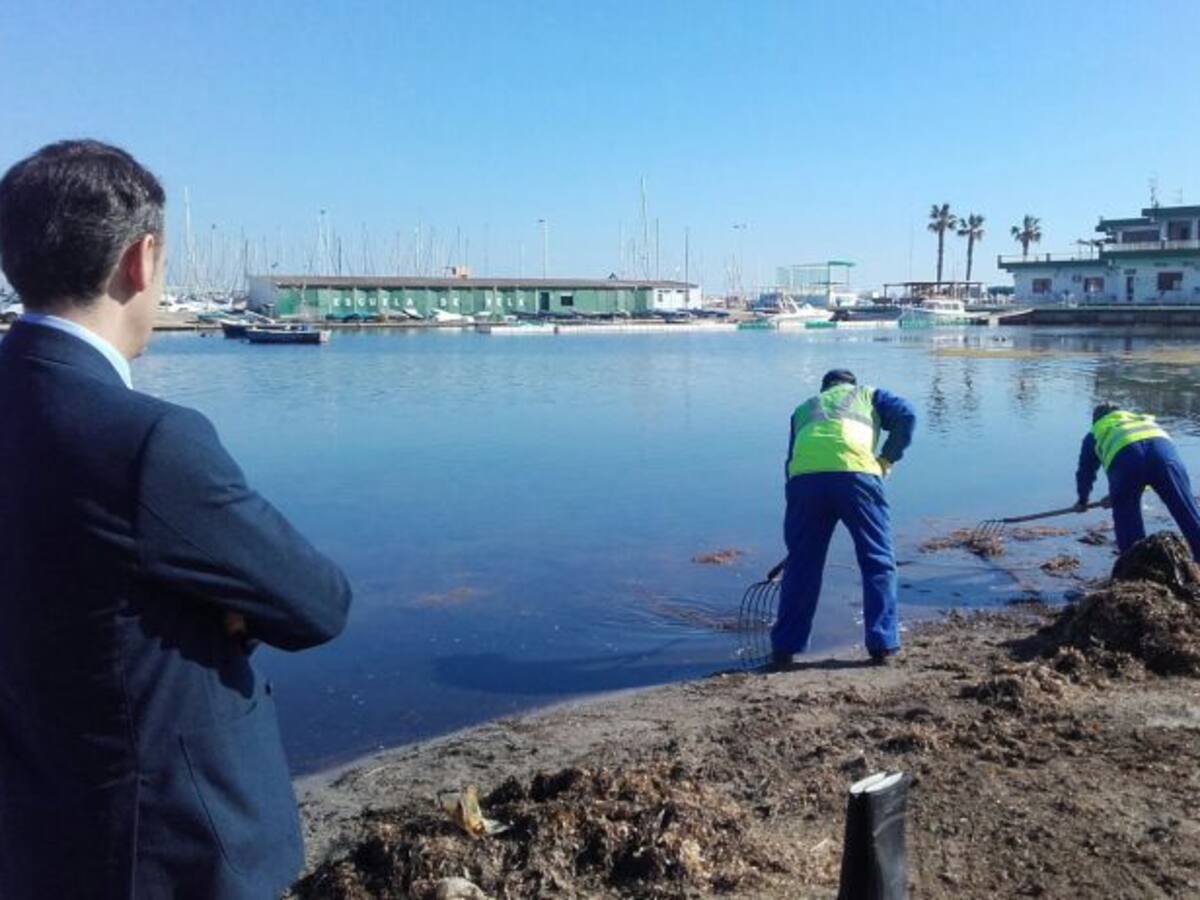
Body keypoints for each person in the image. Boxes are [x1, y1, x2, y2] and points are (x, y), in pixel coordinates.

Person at [0, 140, 352, 898]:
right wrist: (224, 605)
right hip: (168, 850)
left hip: (33, 835)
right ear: (142, 258)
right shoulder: (147, 442)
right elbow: (318, 604)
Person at [771, 369, 916, 668]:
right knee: (877, 559)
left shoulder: (803, 408)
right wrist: (887, 458)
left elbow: (790, 459)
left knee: (802, 564)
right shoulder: (868, 394)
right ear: (851, 384)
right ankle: (882, 645)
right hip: (857, 476)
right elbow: (907, 415)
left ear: (824, 388)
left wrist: (798, 521)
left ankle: (785, 648)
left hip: (804, 482)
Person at [1075, 402, 1200, 558]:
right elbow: (1149, 465)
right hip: (1165, 458)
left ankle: (1135, 568)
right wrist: (1116, 494)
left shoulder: (1096, 432)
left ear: (1096, 420)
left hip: (1127, 462)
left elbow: (1085, 472)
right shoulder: (1143, 420)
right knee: (1186, 509)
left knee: (1127, 519)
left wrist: (1083, 500)